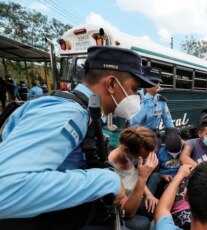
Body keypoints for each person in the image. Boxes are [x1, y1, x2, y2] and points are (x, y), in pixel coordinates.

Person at [0, 46, 154, 228]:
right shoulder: (69, 113)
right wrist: (106, 180)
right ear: (112, 84)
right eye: (134, 89)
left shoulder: (87, 113)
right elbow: (7, 188)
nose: (137, 97)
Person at [108, 126, 159, 230]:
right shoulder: (110, 170)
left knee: (157, 209)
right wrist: (143, 177)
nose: (144, 161)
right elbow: (128, 213)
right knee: (144, 223)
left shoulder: (131, 157)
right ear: (127, 150)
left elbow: (134, 177)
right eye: (142, 158)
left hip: (138, 195)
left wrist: (149, 194)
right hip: (126, 207)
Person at [131, 66, 174, 132]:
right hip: (137, 134)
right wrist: (149, 96)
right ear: (144, 81)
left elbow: (168, 120)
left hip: (152, 134)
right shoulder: (135, 96)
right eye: (150, 81)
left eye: (156, 82)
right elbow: (133, 122)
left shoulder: (161, 100)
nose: (153, 84)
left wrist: (174, 133)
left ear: (159, 84)